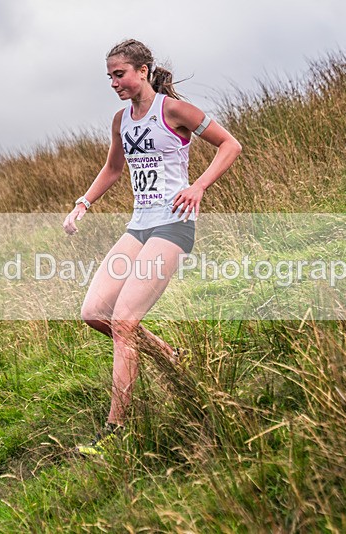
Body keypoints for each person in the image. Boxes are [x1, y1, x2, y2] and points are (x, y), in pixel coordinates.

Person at [62, 39, 242, 456]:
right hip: (139, 225)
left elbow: (229, 145)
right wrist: (82, 205)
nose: (114, 82)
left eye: (119, 74)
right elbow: (112, 168)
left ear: (143, 70)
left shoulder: (173, 110)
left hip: (173, 225)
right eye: (109, 76)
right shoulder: (120, 120)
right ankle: (171, 356)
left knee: (124, 323)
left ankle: (115, 430)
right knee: (94, 313)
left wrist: (198, 186)